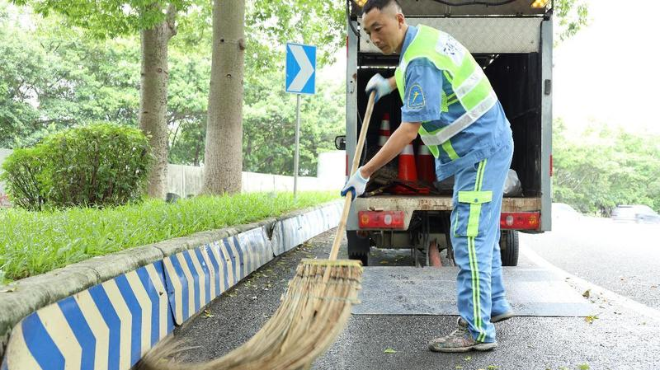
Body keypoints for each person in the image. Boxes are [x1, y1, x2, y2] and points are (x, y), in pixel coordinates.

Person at [340, 0, 515, 353]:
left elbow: (408, 131)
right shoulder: (421, 42)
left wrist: (365, 172)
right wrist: (391, 82)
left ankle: (477, 331)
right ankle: (494, 305)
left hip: (478, 151)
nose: (374, 37)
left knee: (468, 235)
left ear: (399, 19)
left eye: (379, 27)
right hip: (489, 143)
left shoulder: (417, 60)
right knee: (483, 230)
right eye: (368, 31)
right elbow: (426, 71)